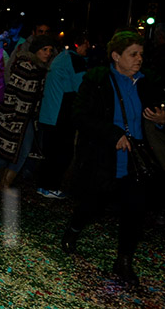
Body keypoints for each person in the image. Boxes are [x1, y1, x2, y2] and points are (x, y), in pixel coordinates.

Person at [63, 31, 165, 285]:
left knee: (135, 210)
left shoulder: (148, 81)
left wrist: (163, 120)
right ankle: (74, 229)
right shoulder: (97, 80)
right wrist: (112, 134)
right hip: (105, 157)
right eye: (133, 54)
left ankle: (124, 261)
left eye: (141, 54)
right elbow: (80, 115)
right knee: (94, 204)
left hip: (137, 159)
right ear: (116, 56)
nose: (139, 59)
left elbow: (157, 113)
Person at [0, 35, 56, 190]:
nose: (47, 53)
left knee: (23, 150)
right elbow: (11, 91)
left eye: (50, 50)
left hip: (27, 118)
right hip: (13, 116)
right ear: (36, 50)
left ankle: (6, 182)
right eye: (44, 50)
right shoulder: (25, 66)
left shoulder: (41, 70)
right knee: (5, 150)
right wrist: (9, 115)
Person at [35, 33, 89, 199]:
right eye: (86, 44)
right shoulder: (75, 60)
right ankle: (51, 186)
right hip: (61, 113)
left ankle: (44, 186)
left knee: (50, 152)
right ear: (78, 44)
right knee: (62, 153)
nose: (88, 48)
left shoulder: (60, 57)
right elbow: (82, 87)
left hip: (49, 112)